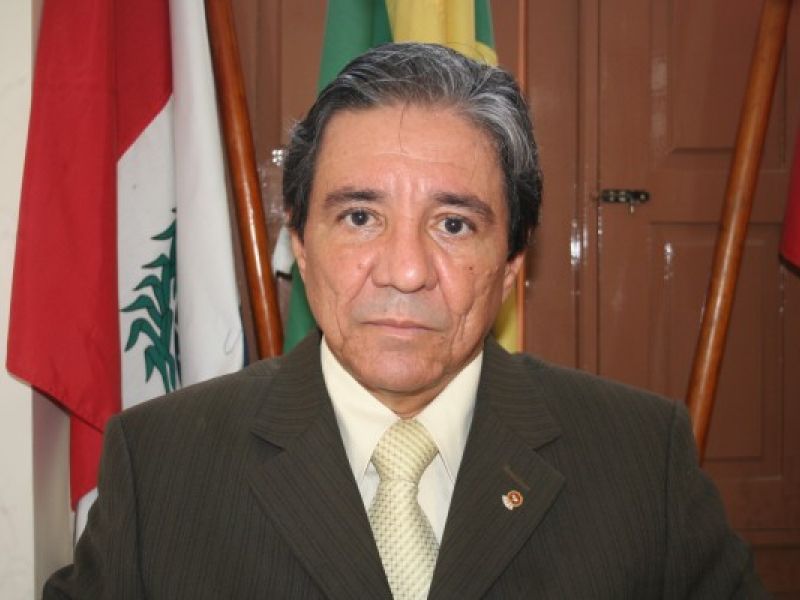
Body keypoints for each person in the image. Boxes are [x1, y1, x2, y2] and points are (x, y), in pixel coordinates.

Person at [44, 43, 766, 599]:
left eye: (453, 224)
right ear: (300, 244)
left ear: (511, 265)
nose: (405, 270)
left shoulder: (642, 459)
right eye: (360, 217)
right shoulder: (160, 463)